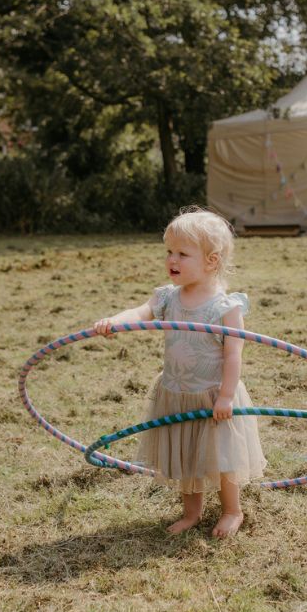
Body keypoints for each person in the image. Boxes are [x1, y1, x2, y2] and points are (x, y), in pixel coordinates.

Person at [94, 208, 266, 538]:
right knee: (186, 455)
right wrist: (116, 321)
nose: (172, 259)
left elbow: (233, 355)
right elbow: (141, 312)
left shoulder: (225, 309)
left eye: (182, 254)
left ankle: (232, 510)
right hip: (176, 392)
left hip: (214, 394)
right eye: (169, 252)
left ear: (211, 261)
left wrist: (227, 396)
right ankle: (191, 513)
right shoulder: (168, 298)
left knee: (223, 457)